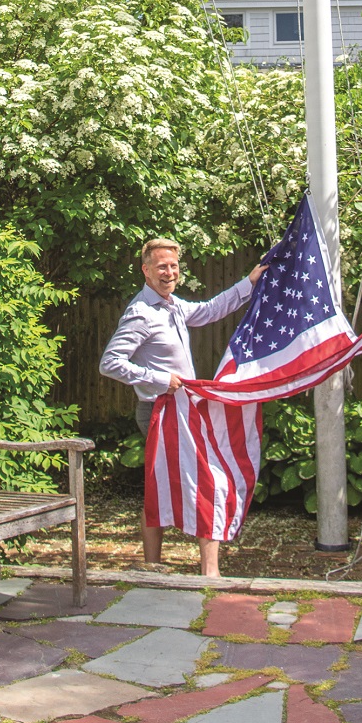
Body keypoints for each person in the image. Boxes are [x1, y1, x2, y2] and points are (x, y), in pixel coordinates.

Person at [99, 237, 266, 576]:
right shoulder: (141, 313)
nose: (169, 272)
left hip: (185, 411)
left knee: (177, 483)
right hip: (159, 411)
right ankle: (170, 567)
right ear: (146, 271)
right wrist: (160, 379)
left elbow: (208, 310)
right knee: (202, 481)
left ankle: (183, 567)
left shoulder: (171, 304)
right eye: (162, 266)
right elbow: (110, 362)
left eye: (173, 266)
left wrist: (249, 284)